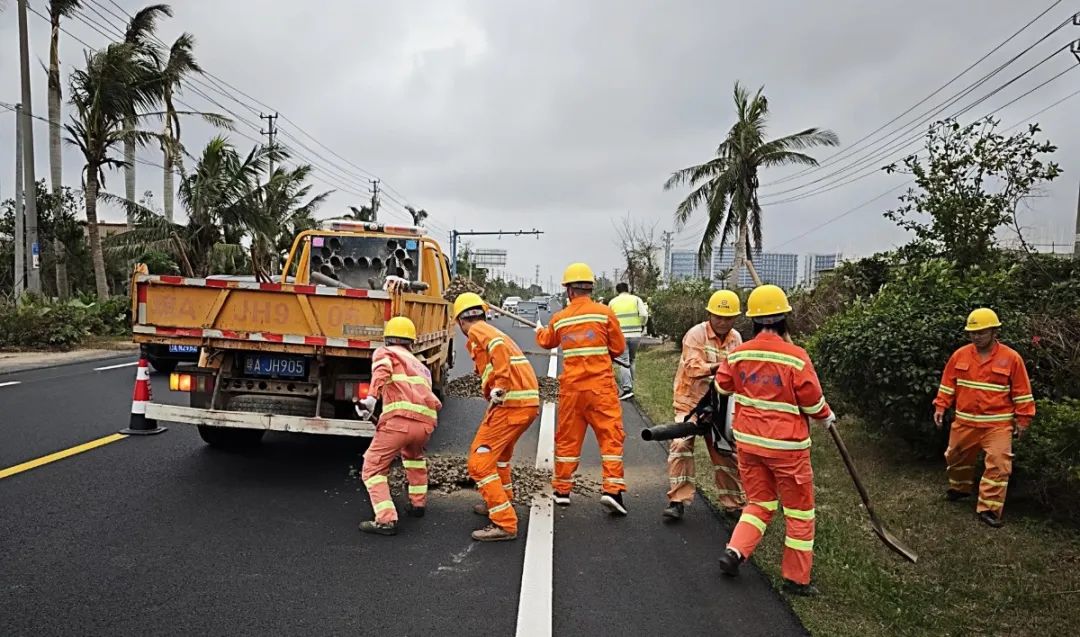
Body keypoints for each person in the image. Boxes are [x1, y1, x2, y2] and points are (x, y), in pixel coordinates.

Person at [714, 285, 833, 597]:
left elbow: (723, 386)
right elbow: (811, 402)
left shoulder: (739, 354)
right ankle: (796, 579)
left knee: (759, 503)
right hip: (787, 449)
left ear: (752, 320)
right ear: (784, 320)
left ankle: (735, 551)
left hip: (749, 444)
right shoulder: (796, 358)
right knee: (799, 512)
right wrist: (827, 416)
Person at [536, 262, 629, 515]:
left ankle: (562, 491)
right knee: (611, 437)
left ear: (568, 291)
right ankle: (612, 491)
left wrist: (539, 331)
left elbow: (547, 341)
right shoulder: (604, 313)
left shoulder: (560, 318)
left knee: (567, 439)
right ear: (590, 288)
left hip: (572, 390)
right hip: (601, 389)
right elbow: (618, 348)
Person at [933, 308, 1035, 528]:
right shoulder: (959, 355)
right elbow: (948, 385)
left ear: (994, 331)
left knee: (999, 465)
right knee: (955, 456)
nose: (975, 336)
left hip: (997, 425)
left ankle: (989, 508)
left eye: (981, 332)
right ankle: (960, 489)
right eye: (972, 333)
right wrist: (941, 406)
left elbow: (1022, 392)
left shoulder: (1011, 358)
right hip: (965, 422)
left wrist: (1023, 420)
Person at [453, 292, 541, 542]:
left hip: (512, 405)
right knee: (500, 457)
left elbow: (497, 349)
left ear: (461, 321)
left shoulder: (479, 331)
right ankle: (502, 500)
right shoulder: (487, 331)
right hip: (524, 404)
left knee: (479, 463)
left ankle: (504, 523)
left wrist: (500, 385)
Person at [663, 290, 746, 520]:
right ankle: (677, 501)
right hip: (690, 402)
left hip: (721, 405)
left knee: (727, 452)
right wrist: (721, 367)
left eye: (727, 318)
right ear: (709, 314)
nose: (722, 322)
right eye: (718, 316)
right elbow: (693, 368)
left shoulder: (736, 339)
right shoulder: (695, 335)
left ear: (735, 319)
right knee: (680, 446)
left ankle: (733, 504)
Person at [357, 316, 443, 536]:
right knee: (414, 459)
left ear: (388, 338)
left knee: (373, 468)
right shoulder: (420, 366)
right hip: (425, 424)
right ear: (411, 342)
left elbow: (382, 372)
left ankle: (386, 520)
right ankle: (418, 505)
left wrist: (371, 400)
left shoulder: (385, 352)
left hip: (399, 422)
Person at [609, 282, 650, 400]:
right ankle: (631, 383)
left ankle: (627, 388)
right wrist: (642, 325)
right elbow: (643, 314)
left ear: (617, 291)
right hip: (636, 334)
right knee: (632, 359)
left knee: (623, 361)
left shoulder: (613, 302)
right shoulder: (636, 299)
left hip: (621, 335)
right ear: (628, 289)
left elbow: (609, 319)